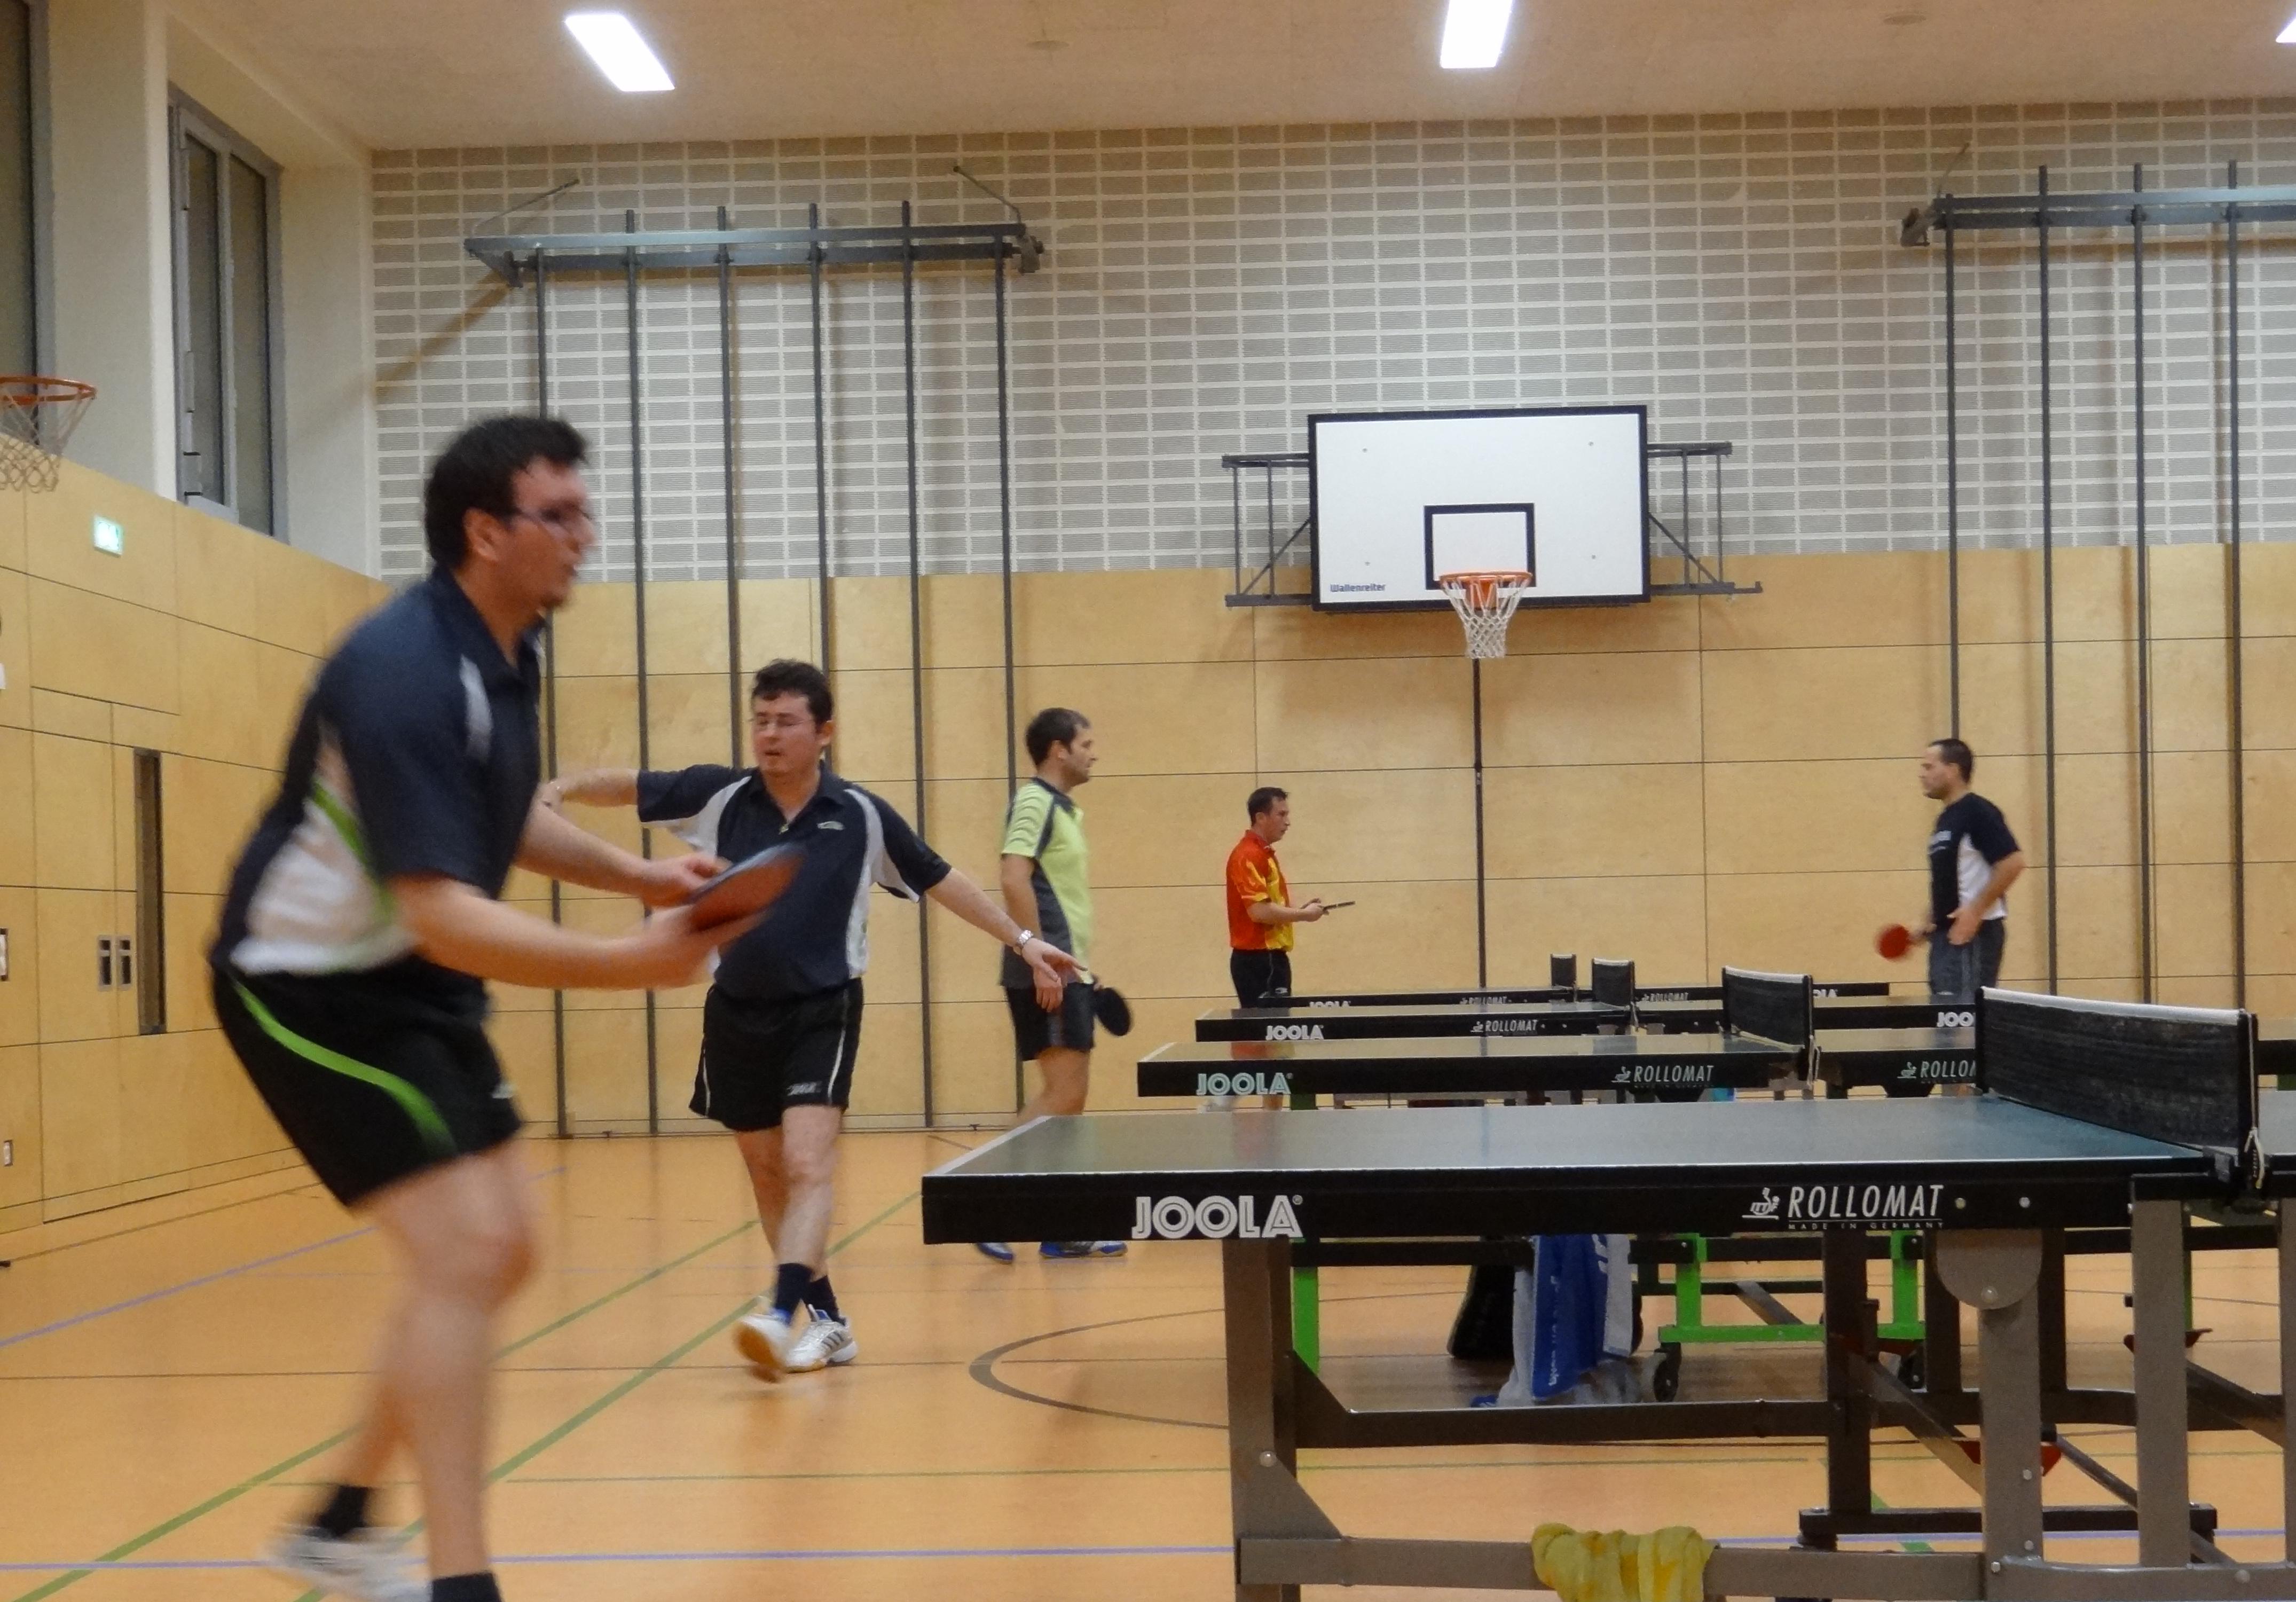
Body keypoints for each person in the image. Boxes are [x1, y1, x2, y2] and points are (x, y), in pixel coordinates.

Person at [212, 417, 749, 1602]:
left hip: (411, 975)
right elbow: (446, 911)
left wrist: (640, 877)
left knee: (497, 1253)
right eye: (558, 515)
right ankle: (463, 1582)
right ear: (485, 532)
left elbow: (497, 820)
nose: (583, 535)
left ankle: (339, 1521)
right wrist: (635, 964)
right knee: (469, 1252)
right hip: (306, 986)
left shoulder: (508, 649)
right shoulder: (404, 669)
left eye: (583, 511)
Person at [547, 660, 1078, 1375]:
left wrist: (1023, 940)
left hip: (823, 1009)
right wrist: (560, 790)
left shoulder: (859, 813)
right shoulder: (720, 795)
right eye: (761, 721)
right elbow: (635, 785)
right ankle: (829, 1321)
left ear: (823, 732)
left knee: (806, 1162)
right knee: (767, 1172)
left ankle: (777, 1313)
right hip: (735, 1010)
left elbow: (940, 877)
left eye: (786, 722)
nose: (769, 735)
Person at [977, 707, 1123, 1263]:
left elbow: (1053, 893)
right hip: (1045, 971)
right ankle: (984, 1200)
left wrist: (1079, 965)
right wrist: (1039, 959)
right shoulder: (1035, 802)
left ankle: (1060, 1225)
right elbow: (1013, 876)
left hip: (1065, 968)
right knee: (1061, 1094)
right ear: (1058, 750)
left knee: (1071, 1098)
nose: (1093, 753)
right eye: (1085, 744)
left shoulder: (1063, 808)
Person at [1915, 737, 2025, 1000]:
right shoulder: (1946, 819)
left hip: (1973, 936)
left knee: (1964, 1018)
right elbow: (1949, 880)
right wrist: (1929, 920)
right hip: (1946, 938)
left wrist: (1975, 912)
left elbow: (2013, 862)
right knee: (1943, 1016)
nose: (1922, 774)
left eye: (1929, 767)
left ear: (1952, 770)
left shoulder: (1978, 812)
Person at [1226, 786, 1325, 1008]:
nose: (1288, 822)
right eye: (1281, 815)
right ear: (1261, 818)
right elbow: (1259, 912)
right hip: (1259, 959)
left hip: (1271, 958)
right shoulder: (1248, 855)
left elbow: (1268, 906)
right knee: (1268, 1029)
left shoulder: (1264, 853)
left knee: (1280, 1027)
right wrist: (1304, 915)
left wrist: (1299, 911)